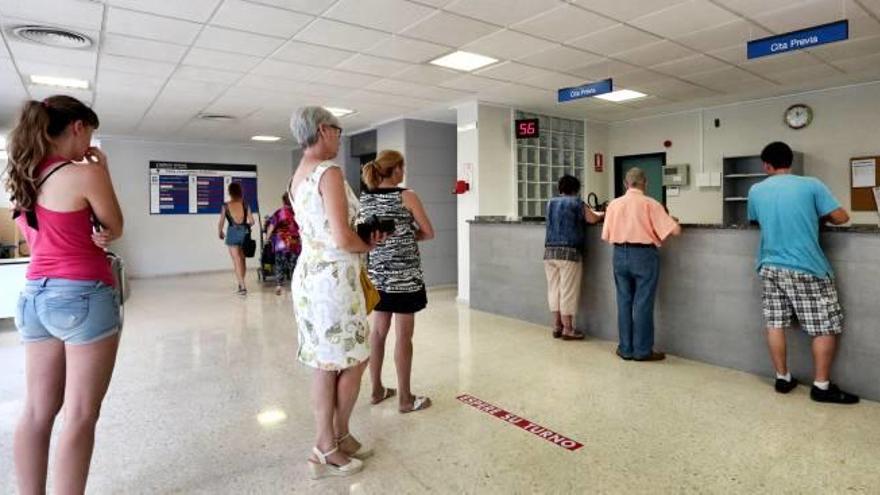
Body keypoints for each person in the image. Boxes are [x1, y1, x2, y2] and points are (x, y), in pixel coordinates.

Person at [4, 95, 123, 494]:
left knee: (37, 411)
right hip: (82, 294)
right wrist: (101, 170)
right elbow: (116, 224)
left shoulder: (25, 175)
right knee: (80, 414)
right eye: (89, 132)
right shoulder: (83, 174)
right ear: (77, 128)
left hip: (34, 295)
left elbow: (51, 232)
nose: (89, 141)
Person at [288, 106, 386, 479]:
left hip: (312, 275)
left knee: (327, 361)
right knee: (348, 360)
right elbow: (344, 238)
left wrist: (359, 240)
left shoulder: (298, 175)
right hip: (333, 279)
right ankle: (327, 443)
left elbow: (325, 230)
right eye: (339, 130)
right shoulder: (328, 172)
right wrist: (370, 246)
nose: (341, 137)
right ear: (323, 129)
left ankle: (336, 436)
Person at [747, 141, 858, 404]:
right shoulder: (811, 184)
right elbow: (842, 217)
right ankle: (821, 386)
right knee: (824, 327)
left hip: (770, 266)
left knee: (775, 323)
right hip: (807, 266)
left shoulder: (756, 189)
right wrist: (818, 216)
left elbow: (755, 220)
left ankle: (782, 378)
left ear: (766, 165)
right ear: (790, 162)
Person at [359, 150, 435, 413]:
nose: (404, 172)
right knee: (404, 337)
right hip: (404, 279)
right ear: (395, 170)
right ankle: (405, 398)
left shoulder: (365, 198)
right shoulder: (407, 195)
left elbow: (364, 233)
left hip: (378, 276)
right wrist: (408, 236)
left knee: (378, 333)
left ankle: (377, 390)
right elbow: (428, 231)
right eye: (402, 167)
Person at [601, 167, 680, 362]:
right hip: (644, 256)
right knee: (643, 304)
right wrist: (671, 221)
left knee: (623, 302)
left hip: (619, 254)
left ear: (625, 184)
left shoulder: (614, 205)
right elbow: (676, 231)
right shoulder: (651, 204)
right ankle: (642, 351)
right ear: (645, 183)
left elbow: (606, 234)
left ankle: (625, 349)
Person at [544, 174, 603, 341]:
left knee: (553, 289)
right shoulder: (577, 202)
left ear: (560, 188)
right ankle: (568, 329)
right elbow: (591, 218)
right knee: (567, 290)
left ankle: (556, 326)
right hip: (569, 252)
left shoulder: (550, 203)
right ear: (576, 189)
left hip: (549, 252)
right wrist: (601, 214)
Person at [217, 182, 254, 295]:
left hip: (232, 232)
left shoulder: (225, 206)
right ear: (240, 192)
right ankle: (241, 283)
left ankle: (242, 286)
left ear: (230, 193)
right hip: (244, 233)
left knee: (236, 260)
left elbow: (221, 221)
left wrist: (220, 232)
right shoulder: (246, 204)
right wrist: (245, 226)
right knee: (242, 259)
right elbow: (252, 221)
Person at [265, 192, 301, 295]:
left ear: (283, 201)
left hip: (281, 242)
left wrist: (267, 238)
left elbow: (271, 226)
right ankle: (295, 285)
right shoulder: (297, 212)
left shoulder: (279, 212)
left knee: (280, 263)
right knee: (294, 264)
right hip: (294, 242)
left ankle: (279, 285)